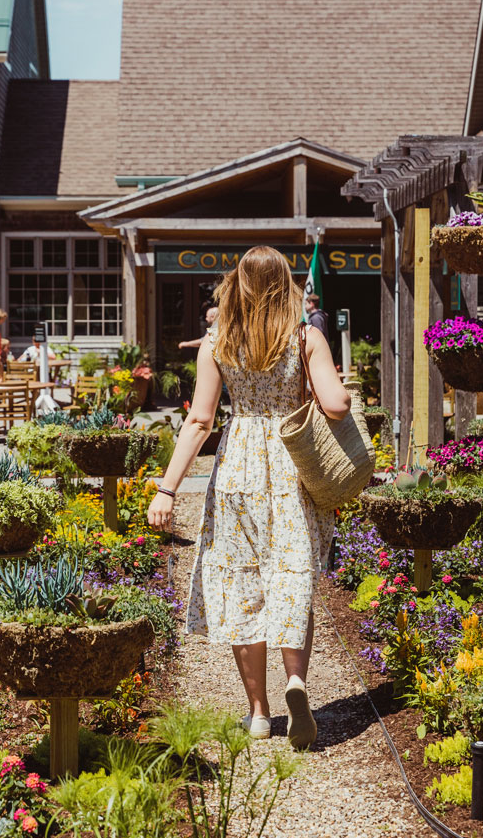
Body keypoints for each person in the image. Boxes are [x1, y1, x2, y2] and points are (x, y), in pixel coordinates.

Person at [145, 246, 351, 750]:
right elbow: (336, 404)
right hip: (292, 466)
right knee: (291, 574)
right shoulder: (306, 338)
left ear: (237, 285)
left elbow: (199, 421)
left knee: (241, 585)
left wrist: (168, 488)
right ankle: (296, 682)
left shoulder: (218, 341)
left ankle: (258, 713)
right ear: (288, 286)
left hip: (238, 465)